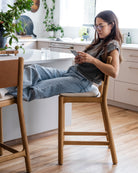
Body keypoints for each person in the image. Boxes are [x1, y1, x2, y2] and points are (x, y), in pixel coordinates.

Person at [7, 10, 123, 102]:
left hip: (82, 81)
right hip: (71, 73)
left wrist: (92, 60)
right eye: (96, 26)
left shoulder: (113, 44)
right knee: (34, 69)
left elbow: (114, 72)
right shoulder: (99, 42)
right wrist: (81, 60)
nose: (98, 30)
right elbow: (91, 63)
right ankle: (6, 87)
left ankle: (7, 94)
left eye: (101, 26)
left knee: (40, 86)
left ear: (111, 25)